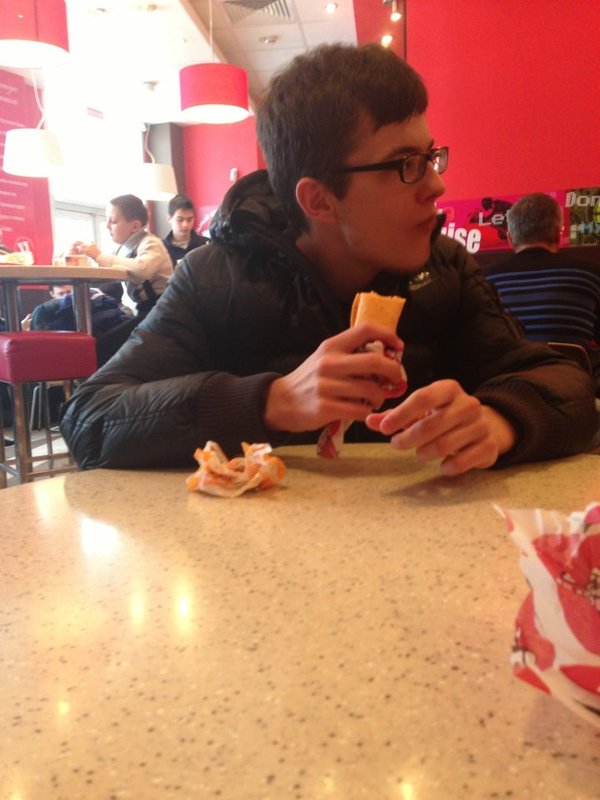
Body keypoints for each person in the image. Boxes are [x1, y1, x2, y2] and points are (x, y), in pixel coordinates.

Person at [60, 43, 597, 475]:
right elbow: (88, 418)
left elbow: (565, 382)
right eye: (406, 164)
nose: (436, 185)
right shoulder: (215, 277)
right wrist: (269, 401)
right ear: (318, 200)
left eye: (430, 157)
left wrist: (500, 419)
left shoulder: (444, 268)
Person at [483, 192, 600, 388]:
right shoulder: (591, 274)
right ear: (558, 234)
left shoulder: (483, 280)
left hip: (504, 392)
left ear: (510, 238)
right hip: (573, 391)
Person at [70, 194, 173, 319]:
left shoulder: (151, 243)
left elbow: (142, 269)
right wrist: (82, 257)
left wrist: (98, 256)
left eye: (113, 221)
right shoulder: (120, 249)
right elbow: (106, 271)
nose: (107, 226)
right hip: (144, 309)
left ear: (135, 226)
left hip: (163, 308)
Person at [163, 194, 208, 266]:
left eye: (189, 220)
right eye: (180, 220)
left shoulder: (205, 244)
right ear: (169, 218)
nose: (185, 225)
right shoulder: (161, 248)